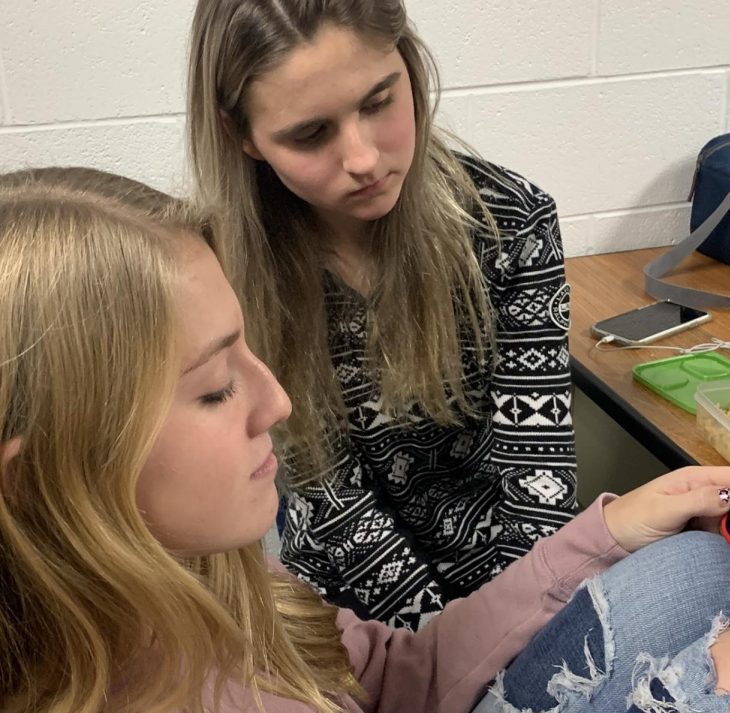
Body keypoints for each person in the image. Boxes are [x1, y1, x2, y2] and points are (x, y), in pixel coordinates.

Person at [0, 166, 730, 713]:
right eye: (214, 386)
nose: (273, 400)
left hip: (451, 618)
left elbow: (396, 672)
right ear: (44, 476)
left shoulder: (224, 575)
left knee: (707, 575)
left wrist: (601, 536)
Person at [186, 0, 579, 628]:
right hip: (345, 595)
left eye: (378, 103)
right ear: (242, 135)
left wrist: (518, 623)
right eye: (311, 134)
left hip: (509, 569)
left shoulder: (511, 222)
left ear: (411, 70)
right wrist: (449, 653)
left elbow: (538, 475)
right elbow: (329, 497)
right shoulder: (223, 271)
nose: (363, 158)